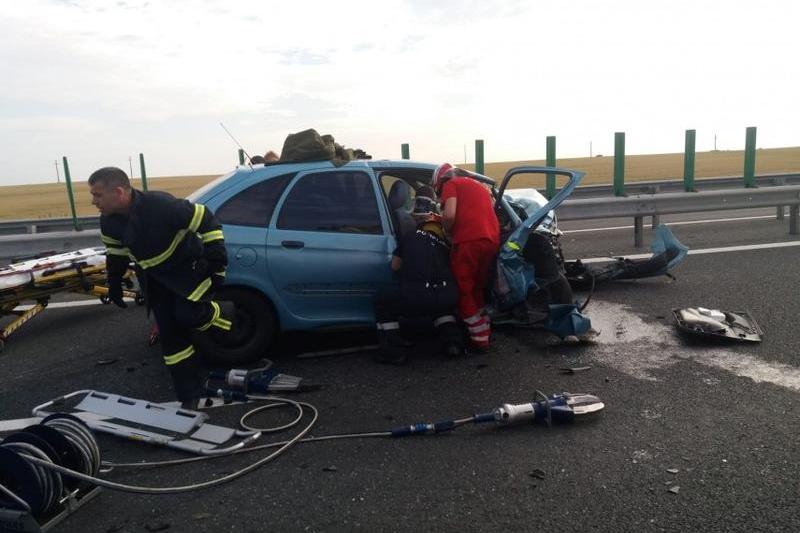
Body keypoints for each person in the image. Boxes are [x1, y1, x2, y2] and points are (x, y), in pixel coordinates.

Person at [89, 167, 231, 407]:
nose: (94, 202)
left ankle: (224, 312)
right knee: (171, 340)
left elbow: (206, 219)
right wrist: (113, 283)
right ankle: (189, 394)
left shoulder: (161, 206)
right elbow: (117, 254)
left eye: (98, 195)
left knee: (188, 315)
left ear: (119, 192)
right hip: (155, 279)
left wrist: (216, 260)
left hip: (187, 269)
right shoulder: (109, 222)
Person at [374, 186, 464, 364]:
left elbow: (395, 266)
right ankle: (453, 343)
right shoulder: (443, 243)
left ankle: (393, 352)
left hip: (418, 296)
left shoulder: (409, 237)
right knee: (442, 307)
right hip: (448, 295)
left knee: (382, 301)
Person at [434, 163, 500, 353]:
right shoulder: (479, 185)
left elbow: (450, 214)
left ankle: (479, 339)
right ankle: (484, 327)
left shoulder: (451, 185)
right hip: (490, 240)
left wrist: (446, 230)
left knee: (462, 290)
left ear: (440, 181)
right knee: (477, 287)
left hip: (469, 241)